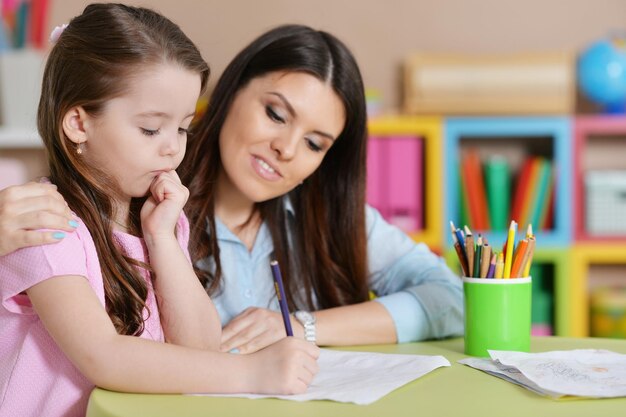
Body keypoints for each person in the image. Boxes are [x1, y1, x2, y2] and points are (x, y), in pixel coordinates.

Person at [1, 23, 463, 357]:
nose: (285, 148)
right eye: (276, 115)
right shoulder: (136, 200)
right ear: (231, 92)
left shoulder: (326, 220)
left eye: (314, 143)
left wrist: (300, 327)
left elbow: (452, 300)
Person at [0, 5, 318, 417]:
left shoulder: (160, 220)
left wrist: (164, 240)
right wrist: (252, 373)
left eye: (182, 127)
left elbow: (201, 348)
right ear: (78, 124)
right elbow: (104, 356)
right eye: (151, 128)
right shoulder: (45, 224)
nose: (173, 147)